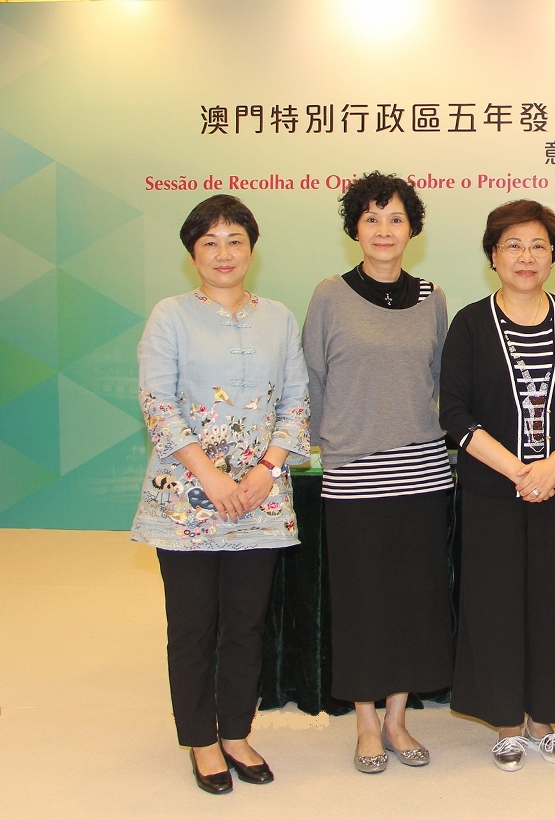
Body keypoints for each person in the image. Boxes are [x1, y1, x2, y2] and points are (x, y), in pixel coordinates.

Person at [132, 195, 310, 794]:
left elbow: (296, 401)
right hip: (187, 498)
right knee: (191, 626)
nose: (223, 253)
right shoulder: (170, 315)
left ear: (252, 249)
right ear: (192, 253)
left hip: (261, 497)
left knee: (245, 623)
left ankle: (236, 731)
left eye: (235, 239)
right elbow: (158, 403)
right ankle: (201, 741)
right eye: (209, 242)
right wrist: (209, 475)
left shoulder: (279, 318)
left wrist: (266, 469)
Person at [439, 199, 555, 771]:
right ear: (492, 255)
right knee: (494, 604)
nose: (525, 257)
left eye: (537, 245)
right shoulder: (469, 322)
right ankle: (507, 722)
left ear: (553, 255)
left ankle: (545, 718)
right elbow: (455, 415)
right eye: (512, 245)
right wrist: (517, 470)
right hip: (492, 492)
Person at [302, 172, 453, 774]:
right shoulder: (329, 295)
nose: (384, 230)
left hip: (423, 473)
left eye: (395, 218)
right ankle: (365, 721)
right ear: (354, 230)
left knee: (414, 601)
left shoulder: (433, 298)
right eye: (371, 218)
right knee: (363, 602)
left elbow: (441, 382)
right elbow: (313, 379)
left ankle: (397, 718)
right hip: (354, 474)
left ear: (412, 228)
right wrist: (316, 447)